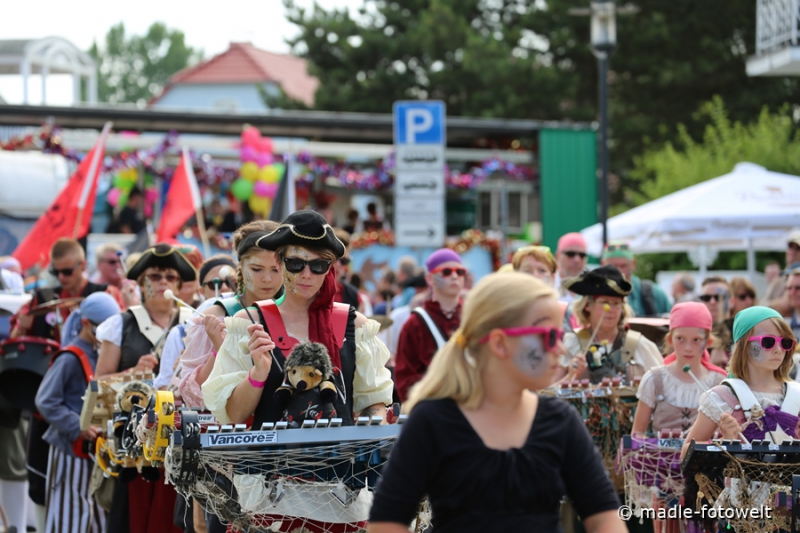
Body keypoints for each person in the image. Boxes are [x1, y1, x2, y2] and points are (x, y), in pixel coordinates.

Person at [368, 272, 625, 533]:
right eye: (549, 336)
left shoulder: (560, 419)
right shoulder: (433, 421)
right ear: (500, 343)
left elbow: (604, 517)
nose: (561, 349)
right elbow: (386, 522)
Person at [201, 211, 393, 531]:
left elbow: (374, 403)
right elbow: (233, 414)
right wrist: (259, 372)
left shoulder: (354, 325)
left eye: (318, 265)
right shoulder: (248, 324)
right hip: (268, 495)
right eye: (295, 263)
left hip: (342, 496)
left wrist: (375, 427)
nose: (306, 274)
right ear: (279, 261)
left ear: (330, 268)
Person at [94, 243, 196, 533]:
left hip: (180, 440)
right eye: (155, 276)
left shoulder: (194, 323)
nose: (163, 282)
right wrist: (132, 372)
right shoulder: (121, 324)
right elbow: (99, 383)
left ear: (179, 285)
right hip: (134, 445)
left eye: (171, 277)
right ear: (140, 283)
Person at [35, 292, 121, 533]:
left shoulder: (101, 353)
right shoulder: (70, 357)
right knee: (70, 516)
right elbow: (45, 400)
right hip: (71, 449)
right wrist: (78, 425)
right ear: (86, 324)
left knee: (96, 516)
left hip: (96, 450)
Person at [176, 221, 284, 408]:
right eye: (257, 269)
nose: (267, 278)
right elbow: (192, 395)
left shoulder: (296, 313)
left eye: (276, 269)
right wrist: (219, 350)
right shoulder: (217, 316)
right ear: (241, 266)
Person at [681, 306, 800, 462]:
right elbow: (685, 453)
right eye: (768, 341)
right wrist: (724, 442)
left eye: (785, 342)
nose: (778, 349)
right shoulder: (722, 397)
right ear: (744, 345)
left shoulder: (796, 394)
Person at [556, 265, 663, 384]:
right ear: (587, 305)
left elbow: (663, 388)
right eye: (604, 302)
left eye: (616, 303)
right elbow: (549, 390)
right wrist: (570, 376)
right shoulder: (572, 343)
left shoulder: (641, 345)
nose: (610, 309)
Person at [154, 254, 238, 391]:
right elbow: (164, 389)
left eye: (231, 282)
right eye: (214, 284)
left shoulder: (252, 321)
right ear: (201, 291)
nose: (224, 288)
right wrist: (181, 374)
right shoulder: (180, 334)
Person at [11, 238, 118, 342]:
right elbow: (12, 343)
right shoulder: (40, 298)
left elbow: (118, 333)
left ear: (83, 265)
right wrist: (21, 327)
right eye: (56, 272)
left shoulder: (105, 294)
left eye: (67, 271)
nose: (61, 277)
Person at [394, 249, 465, 402]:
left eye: (460, 272)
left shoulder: (473, 318)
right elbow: (405, 379)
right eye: (446, 271)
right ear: (429, 278)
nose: (454, 276)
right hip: (431, 407)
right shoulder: (415, 323)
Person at [601, 241, 671, 318]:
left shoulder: (655, 293)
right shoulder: (595, 295)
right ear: (602, 264)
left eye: (623, 266)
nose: (618, 271)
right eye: (613, 266)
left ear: (633, 264)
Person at [762, 230, 800, 316]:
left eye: (798, 248)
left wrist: (767, 304)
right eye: (790, 247)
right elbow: (763, 302)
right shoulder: (781, 275)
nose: (793, 251)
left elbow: (785, 305)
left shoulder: (795, 275)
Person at [91, 242, 139, 309]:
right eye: (112, 262)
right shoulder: (93, 291)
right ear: (99, 265)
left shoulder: (132, 287)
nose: (118, 265)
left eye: (121, 261)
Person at [553, 232, 588, 304]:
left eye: (582, 255)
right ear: (558, 256)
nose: (577, 260)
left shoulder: (593, 287)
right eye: (571, 254)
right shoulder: (548, 285)